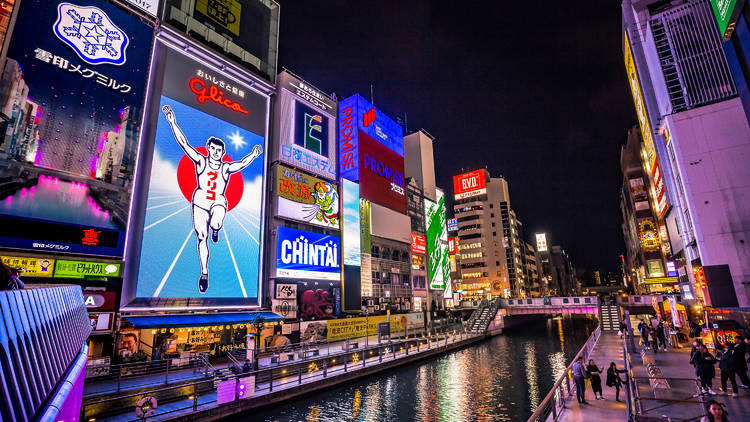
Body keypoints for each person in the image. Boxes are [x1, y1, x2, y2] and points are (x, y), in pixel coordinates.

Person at [161, 105, 263, 294]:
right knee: (201, 237)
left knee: (216, 219)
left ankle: (216, 228)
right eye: (213, 149)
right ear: (208, 149)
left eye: (219, 150)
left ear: (223, 152)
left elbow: (240, 164)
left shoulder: (225, 168)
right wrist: (172, 121)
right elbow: (184, 144)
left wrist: (254, 155)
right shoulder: (200, 161)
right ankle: (205, 272)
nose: (216, 152)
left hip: (218, 201)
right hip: (199, 202)